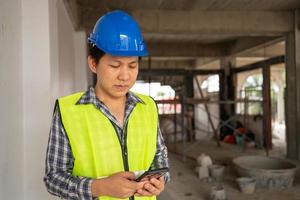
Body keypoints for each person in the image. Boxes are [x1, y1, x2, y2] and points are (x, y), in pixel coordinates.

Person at [44, 10, 170, 200]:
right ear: (93, 64)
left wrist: (159, 181)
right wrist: (99, 187)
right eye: (115, 65)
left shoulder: (148, 107)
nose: (125, 76)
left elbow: (160, 160)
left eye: (132, 66)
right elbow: (53, 178)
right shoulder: (68, 111)